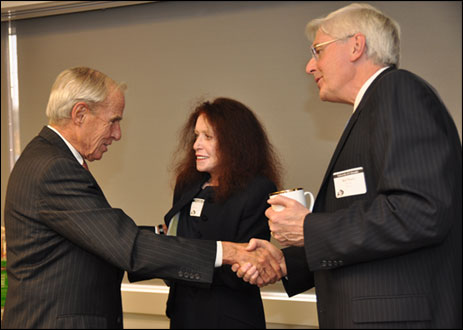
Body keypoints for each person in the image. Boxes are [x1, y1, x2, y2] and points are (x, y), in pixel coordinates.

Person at [235, 3, 462, 329]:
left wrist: (308, 229)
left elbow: (420, 211)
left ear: (356, 45)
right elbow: (373, 223)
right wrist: (287, 261)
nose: (309, 66)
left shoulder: (398, 91)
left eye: (318, 51)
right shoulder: (375, 106)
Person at [1, 67, 282, 329]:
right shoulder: (54, 168)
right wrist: (230, 251)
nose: (117, 134)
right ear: (80, 114)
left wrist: (166, 236)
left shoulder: (46, 158)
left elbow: (108, 238)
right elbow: (127, 245)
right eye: (113, 121)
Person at [162, 97, 282, 329]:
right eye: (196, 136)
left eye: (208, 136)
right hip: (183, 313)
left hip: (228, 317)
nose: (196, 144)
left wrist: (181, 259)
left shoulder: (258, 190)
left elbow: (245, 269)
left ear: (235, 142)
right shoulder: (187, 185)